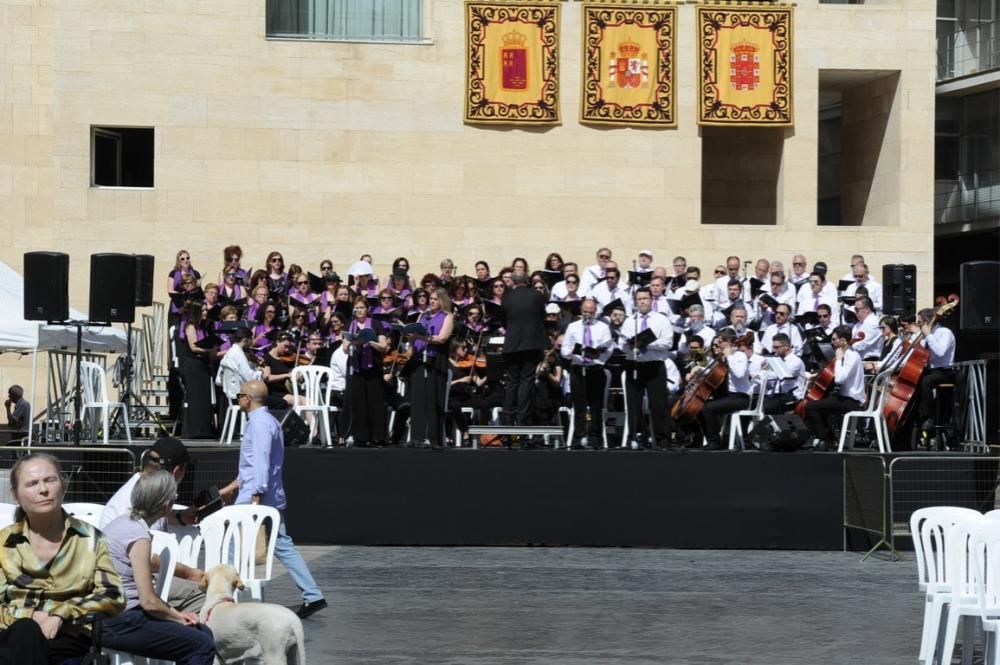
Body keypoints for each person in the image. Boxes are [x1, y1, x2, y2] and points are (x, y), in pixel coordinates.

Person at [0, 452, 125, 664]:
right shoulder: (4, 542)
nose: (43, 490)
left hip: (66, 636)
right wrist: (30, 616)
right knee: (25, 632)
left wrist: (61, 613)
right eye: (31, 484)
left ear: (63, 484)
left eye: (50, 480)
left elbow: (113, 595)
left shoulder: (91, 539)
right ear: (15, 495)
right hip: (11, 634)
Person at [100, 471, 216, 665]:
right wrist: (179, 619)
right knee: (202, 644)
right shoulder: (138, 536)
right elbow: (149, 602)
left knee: (202, 633)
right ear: (165, 506)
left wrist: (178, 615)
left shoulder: (121, 523)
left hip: (108, 616)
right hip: (118, 620)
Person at [235, 380, 326, 618]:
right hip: (263, 493)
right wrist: (233, 486)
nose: (238, 399)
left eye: (239, 395)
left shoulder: (260, 424)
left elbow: (262, 459)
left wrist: (256, 493)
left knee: (233, 542)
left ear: (248, 398)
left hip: (258, 496)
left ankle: (230, 595)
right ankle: (312, 594)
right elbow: (254, 462)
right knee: (282, 545)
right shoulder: (264, 421)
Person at [99, 437, 206, 611]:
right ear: (177, 471)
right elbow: (147, 559)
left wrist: (178, 517)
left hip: (116, 579)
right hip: (125, 587)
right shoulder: (134, 503)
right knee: (201, 593)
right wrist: (188, 572)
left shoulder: (138, 486)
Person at [619, 289, 673, 449]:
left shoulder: (661, 320)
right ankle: (638, 436)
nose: (642, 301)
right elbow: (622, 345)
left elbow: (668, 343)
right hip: (634, 364)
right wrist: (630, 345)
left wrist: (646, 343)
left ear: (651, 300)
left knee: (658, 403)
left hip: (654, 365)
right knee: (634, 403)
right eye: (639, 299)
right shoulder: (630, 321)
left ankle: (662, 438)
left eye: (645, 298)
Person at [803, 325, 866, 451]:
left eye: (834, 339)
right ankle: (828, 440)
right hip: (843, 397)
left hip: (852, 401)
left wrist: (838, 360)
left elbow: (839, 379)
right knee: (820, 404)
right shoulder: (847, 354)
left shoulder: (851, 356)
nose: (831, 342)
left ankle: (827, 440)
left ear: (842, 340)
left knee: (811, 407)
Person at [560, 298, 613, 448]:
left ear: (595, 312)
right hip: (578, 368)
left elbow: (608, 349)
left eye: (591, 312)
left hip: (595, 369)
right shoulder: (573, 327)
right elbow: (564, 350)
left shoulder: (602, 327)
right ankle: (579, 436)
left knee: (596, 406)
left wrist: (597, 355)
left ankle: (595, 437)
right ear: (581, 311)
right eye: (585, 312)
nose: (587, 315)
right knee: (579, 406)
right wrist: (574, 353)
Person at [407, 287, 454, 448]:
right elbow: (416, 337)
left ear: (442, 301)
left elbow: (442, 338)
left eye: (435, 299)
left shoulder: (447, 317)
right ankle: (417, 437)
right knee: (418, 398)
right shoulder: (422, 316)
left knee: (434, 398)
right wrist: (412, 337)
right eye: (431, 299)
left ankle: (434, 438)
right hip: (420, 359)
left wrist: (421, 336)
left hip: (436, 360)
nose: (432, 301)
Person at [501, 272, 549, 427]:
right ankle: (522, 419)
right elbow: (542, 316)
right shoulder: (537, 295)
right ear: (527, 282)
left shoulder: (507, 297)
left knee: (512, 381)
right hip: (531, 342)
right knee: (526, 380)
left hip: (513, 343)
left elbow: (504, 319)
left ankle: (508, 419)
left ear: (513, 282)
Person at [342, 297, 389, 446]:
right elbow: (344, 348)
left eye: (361, 307)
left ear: (367, 309)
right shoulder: (351, 325)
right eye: (356, 308)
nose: (359, 311)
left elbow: (383, 347)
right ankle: (361, 437)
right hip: (357, 368)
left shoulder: (375, 324)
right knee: (359, 403)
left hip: (373, 367)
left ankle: (378, 437)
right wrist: (354, 340)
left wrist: (369, 340)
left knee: (375, 403)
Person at [698, 328, 751, 451]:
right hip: (727, 396)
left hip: (740, 397)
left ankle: (715, 442)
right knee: (699, 406)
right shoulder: (722, 358)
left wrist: (729, 357)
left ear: (728, 342)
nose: (718, 345)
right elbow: (706, 368)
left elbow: (739, 374)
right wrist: (697, 365)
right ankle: (712, 439)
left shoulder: (740, 356)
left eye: (720, 342)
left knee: (707, 408)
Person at [913, 307, 957, 437]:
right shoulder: (926, 335)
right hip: (931, 370)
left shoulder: (944, 332)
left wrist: (928, 335)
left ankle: (928, 416)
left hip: (944, 371)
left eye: (920, 322)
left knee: (926, 381)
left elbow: (940, 352)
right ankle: (915, 419)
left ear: (926, 322)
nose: (918, 325)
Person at [762, 333, 807, 415]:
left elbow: (782, 375)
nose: (774, 350)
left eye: (776, 347)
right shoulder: (778, 360)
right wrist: (765, 369)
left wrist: (765, 373)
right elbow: (770, 383)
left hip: (791, 395)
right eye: (773, 347)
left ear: (786, 346)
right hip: (778, 394)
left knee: (766, 407)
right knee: (755, 404)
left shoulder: (795, 361)